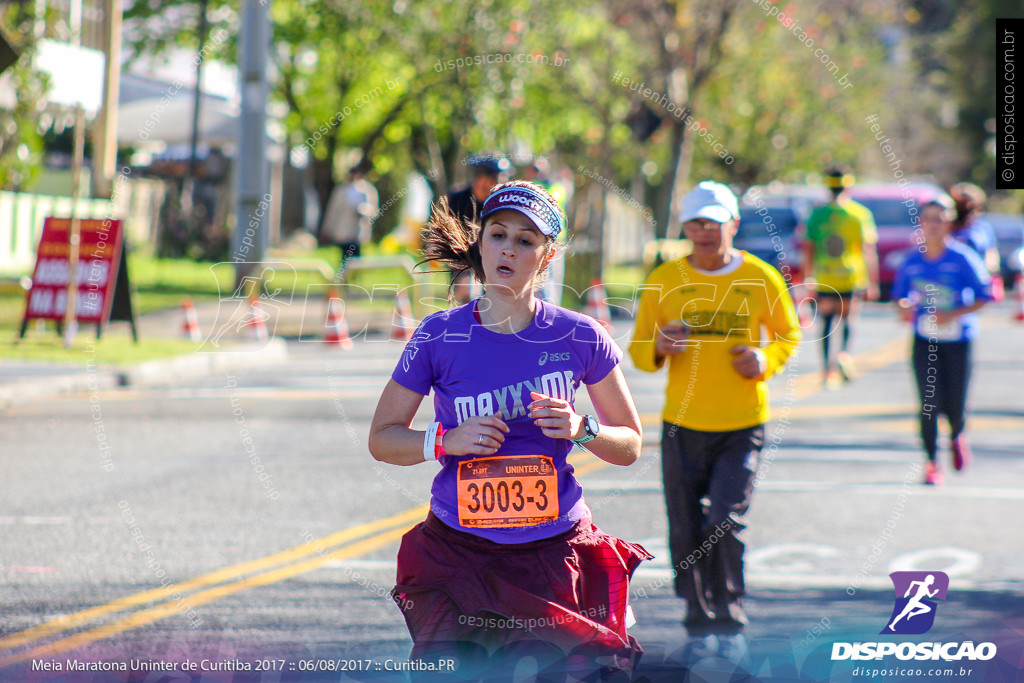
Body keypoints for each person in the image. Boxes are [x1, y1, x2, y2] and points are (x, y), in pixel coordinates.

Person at [369, 180, 651, 678]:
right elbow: (383, 438)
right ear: (481, 243)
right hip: (460, 552)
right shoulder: (439, 333)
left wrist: (581, 428)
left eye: (526, 241)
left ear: (546, 257)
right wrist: (443, 440)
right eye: (498, 234)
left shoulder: (581, 335)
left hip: (554, 550)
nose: (509, 249)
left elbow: (629, 444)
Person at [629, 181, 801, 656]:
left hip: (742, 423)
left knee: (726, 519)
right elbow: (640, 352)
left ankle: (728, 605)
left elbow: (788, 334)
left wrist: (764, 360)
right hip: (683, 425)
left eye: (713, 221)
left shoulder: (761, 277)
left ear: (734, 224)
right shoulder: (665, 279)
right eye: (695, 222)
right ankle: (694, 606)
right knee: (683, 524)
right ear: (684, 226)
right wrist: (659, 346)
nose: (704, 231)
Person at [892, 196, 993, 486]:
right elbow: (899, 296)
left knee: (955, 403)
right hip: (925, 340)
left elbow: (987, 295)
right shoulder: (912, 260)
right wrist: (903, 305)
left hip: (959, 341)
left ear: (948, 223)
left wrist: (953, 314)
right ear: (921, 224)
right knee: (928, 402)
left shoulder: (962, 257)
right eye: (928, 219)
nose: (933, 225)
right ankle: (931, 462)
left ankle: (958, 434)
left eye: (939, 218)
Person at [802, 167, 879, 387]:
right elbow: (868, 250)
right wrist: (871, 281)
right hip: (850, 275)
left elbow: (808, 248)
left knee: (826, 322)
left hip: (825, 275)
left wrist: (808, 277)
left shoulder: (817, 213)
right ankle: (844, 355)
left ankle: (827, 369)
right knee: (846, 318)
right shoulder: (859, 213)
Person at [443, 156, 509, 303]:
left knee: (494, 301)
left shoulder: (501, 202)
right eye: (495, 178)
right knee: (467, 293)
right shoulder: (458, 199)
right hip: (463, 256)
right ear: (480, 178)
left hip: (492, 258)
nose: (499, 183)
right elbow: (446, 229)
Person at [949, 182, 1003, 300]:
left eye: (968, 203)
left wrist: (992, 274)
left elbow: (991, 252)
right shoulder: (947, 227)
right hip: (953, 281)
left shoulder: (981, 228)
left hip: (977, 279)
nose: (965, 207)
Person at [319, 166, 378, 271]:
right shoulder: (341, 190)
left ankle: (354, 280)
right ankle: (344, 280)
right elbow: (333, 210)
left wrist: (363, 210)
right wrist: (327, 228)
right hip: (343, 231)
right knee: (345, 258)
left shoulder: (367, 190)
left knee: (356, 259)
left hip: (357, 231)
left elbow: (373, 210)